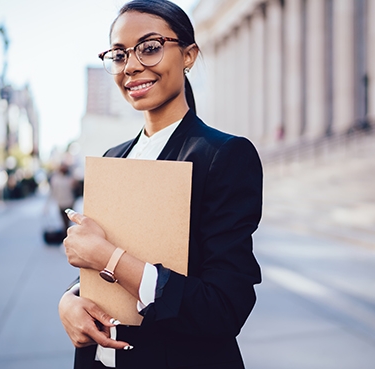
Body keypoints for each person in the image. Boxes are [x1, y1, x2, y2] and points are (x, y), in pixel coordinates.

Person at [58, 1, 263, 368]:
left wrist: (109, 258)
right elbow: (97, 281)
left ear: (188, 55)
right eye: (119, 55)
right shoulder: (114, 157)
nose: (132, 65)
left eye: (150, 48)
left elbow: (224, 308)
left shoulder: (223, 155)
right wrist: (69, 301)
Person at [50, 163, 77, 234]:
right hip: (61, 203)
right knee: (64, 222)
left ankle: (67, 235)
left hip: (69, 202)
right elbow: (53, 191)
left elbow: (74, 186)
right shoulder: (55, 178)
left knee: (68, 221)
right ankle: (66, 235)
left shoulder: (69, 177)